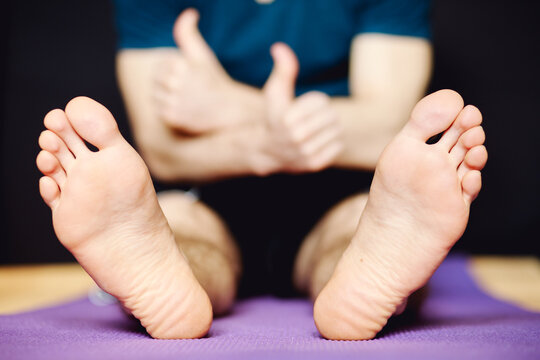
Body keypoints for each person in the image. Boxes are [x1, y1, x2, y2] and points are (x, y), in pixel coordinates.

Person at [35, 0, 487, 340]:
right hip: (216, 190)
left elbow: (387, 125)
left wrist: (228, 103)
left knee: (356, 229)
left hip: (347, 195)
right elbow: (161, 149)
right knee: (175, 225)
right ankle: (157, 280)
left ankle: (374, 273)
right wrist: (264, 142)